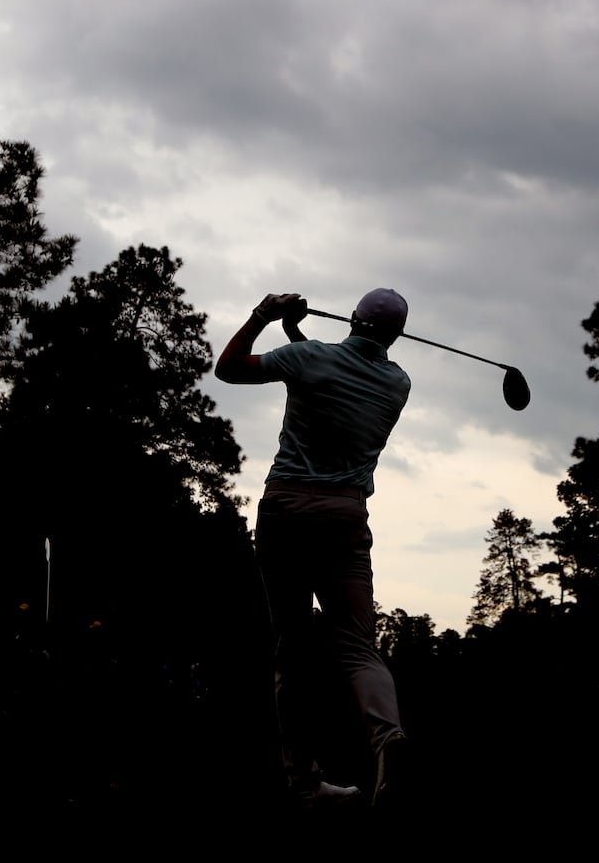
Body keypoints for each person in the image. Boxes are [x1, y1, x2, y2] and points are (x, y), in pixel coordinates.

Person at [215, 288, 412, 810]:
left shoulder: (310, 359)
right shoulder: (397, 383)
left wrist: (267, 315)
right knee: (357, 648)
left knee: (294, 652)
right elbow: (332, 371)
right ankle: (387, 738)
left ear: (352, 318)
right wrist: (297, 334)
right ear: (394, 335)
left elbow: (229, 368)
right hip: (345, 515)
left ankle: (303, 780)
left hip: (287, 509)